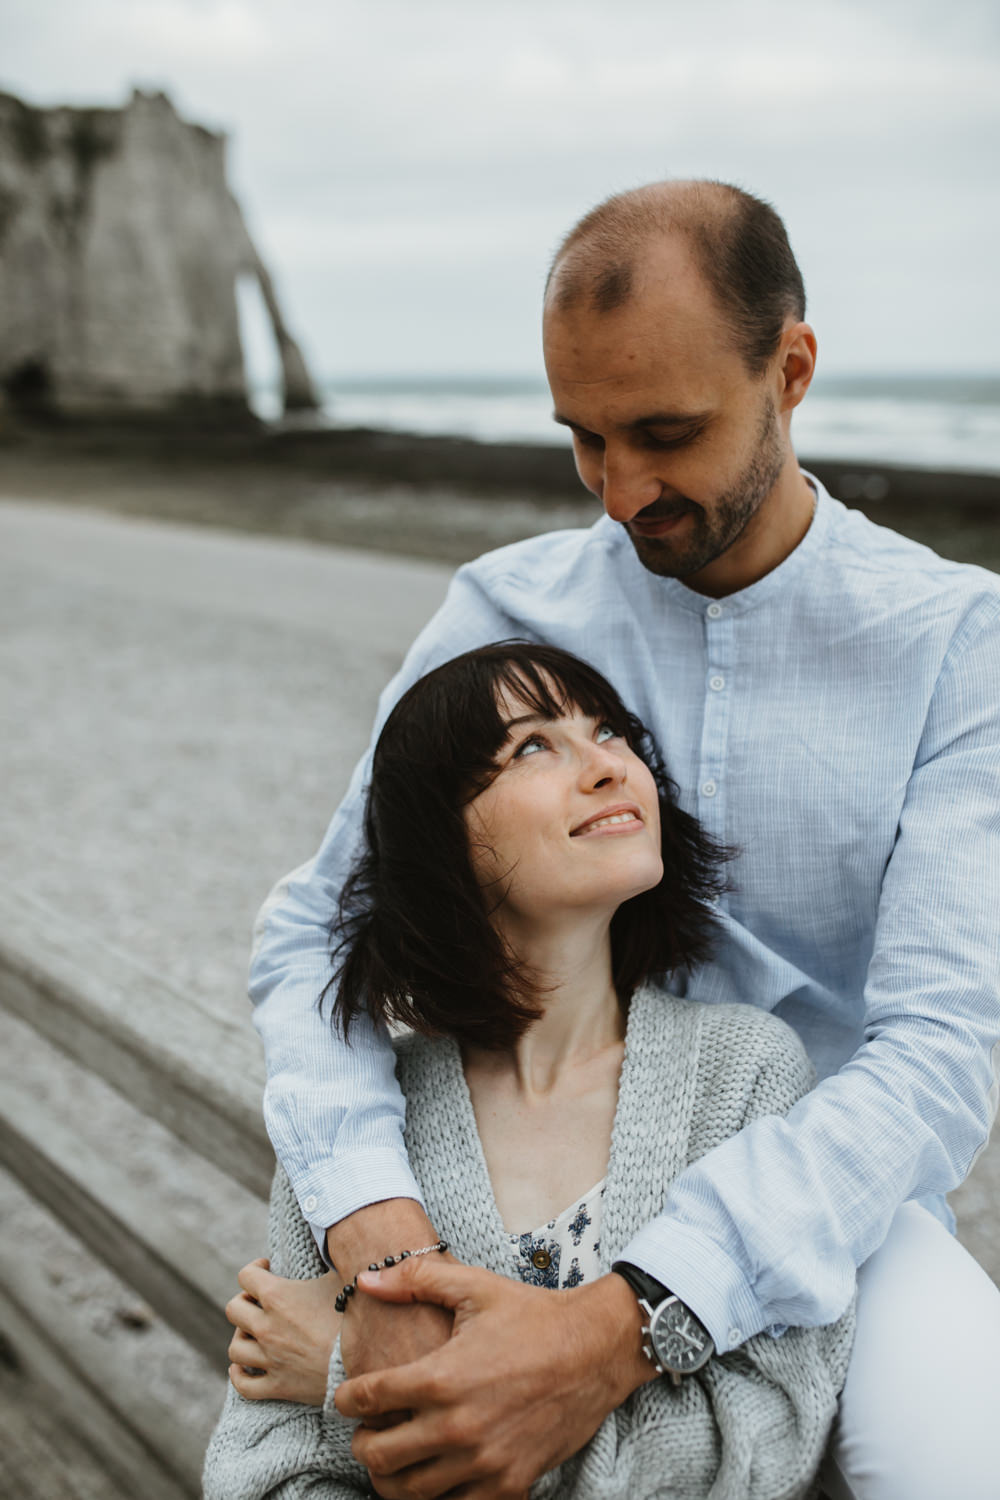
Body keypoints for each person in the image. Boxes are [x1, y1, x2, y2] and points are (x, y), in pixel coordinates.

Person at [240, 180, 1000, 1500]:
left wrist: (616, 1327)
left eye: (664, 433)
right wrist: (378, 1243)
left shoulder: (955, 644)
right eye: (583, 440)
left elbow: (941, 1051)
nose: (620, 492)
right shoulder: (503, 607)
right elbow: (321, 924)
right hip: (523, 1141)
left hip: (826, 1193)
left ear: (793, 369)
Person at [204, 643, 854, 1500]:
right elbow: (264, 1467)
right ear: (443, 840)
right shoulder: (363, 1123)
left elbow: (765, 1444)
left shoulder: (745, 1073)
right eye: (532, 747)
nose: (605, 766)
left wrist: (355, 1368)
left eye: (611, 731)